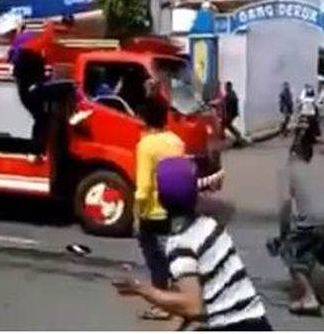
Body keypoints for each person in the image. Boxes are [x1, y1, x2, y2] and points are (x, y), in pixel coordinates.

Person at [113, 157, 272, 331]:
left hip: (232, 325)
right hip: (254, 320)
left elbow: (192, 306)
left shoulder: (182, 244)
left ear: (161, 200)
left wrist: (142, 289)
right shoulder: (209, 224)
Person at [132, 95, 186, 321]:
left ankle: (162, 306)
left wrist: (135, 215)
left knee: (156, 261)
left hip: (153, 211)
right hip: (176, 208)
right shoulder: (176, 141)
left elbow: (143, 186)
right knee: (171, 255)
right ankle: (175, 299)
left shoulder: (146, 145)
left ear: (145, 119)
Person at [268, 116, 324, 316]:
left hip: (312, 224)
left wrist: (283, 236)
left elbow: (285, 206)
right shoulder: (318, 164)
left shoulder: (288, 169)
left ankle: (309, 298)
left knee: (291, 252)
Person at [8, 21, 54, 163]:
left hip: (26, 91)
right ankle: (35, 151)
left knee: (41, 119)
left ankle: (36, 151)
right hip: (31, 91)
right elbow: (39, 74)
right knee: (42, 119)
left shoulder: (21, 55)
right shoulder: (31, 56)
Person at [222, 82, 246, 147]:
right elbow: (223, 100)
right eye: (225, 87)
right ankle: (237, 136)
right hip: (231, 114)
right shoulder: (230, 94)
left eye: (226, 87)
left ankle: (238, 136)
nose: (225, 88)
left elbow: (231, 106)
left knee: (225, 125)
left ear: (229, 87)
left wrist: (228, 115)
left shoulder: (231, 95)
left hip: (231, 114)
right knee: (226, 125)